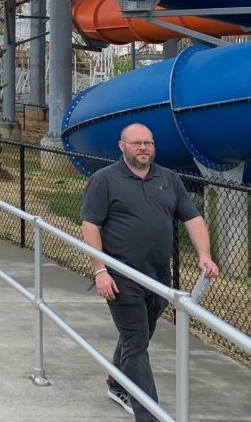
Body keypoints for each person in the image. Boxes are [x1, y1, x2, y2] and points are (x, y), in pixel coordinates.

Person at [80, 123, 218, 420]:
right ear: (122, 146)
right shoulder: (104, 180)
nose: (143, 148)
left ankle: (117, 383)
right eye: (136, 143)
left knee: (139, 337)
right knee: (135, 339)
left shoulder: (169, 179)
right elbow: (90, 225)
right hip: (120, 276)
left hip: (158, 278)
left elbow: (192, 218)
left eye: (148, 143)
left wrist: (204, 255)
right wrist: (100, 270)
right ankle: (149, 413)